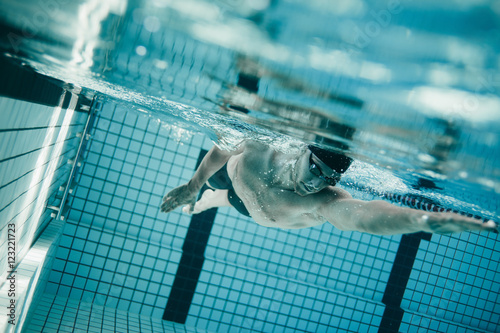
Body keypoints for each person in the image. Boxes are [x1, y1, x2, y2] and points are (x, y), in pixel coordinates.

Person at [160, 140, 498, 235]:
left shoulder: (325, 200)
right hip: (234, 178)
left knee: (226, 201)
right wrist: (192, 185)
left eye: (327, 179)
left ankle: (209, 201)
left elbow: (363, 216)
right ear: (302, 151)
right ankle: (203, 198)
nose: (316, 183)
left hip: (248, 206)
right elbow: (221, 148)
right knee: (215, 187)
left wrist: (418, 221)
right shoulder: (259, 149)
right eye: (315, 170)